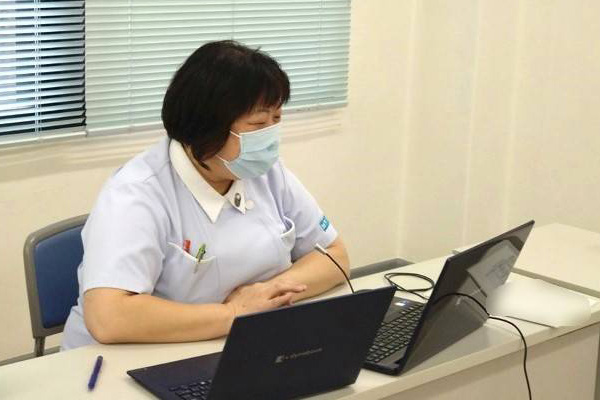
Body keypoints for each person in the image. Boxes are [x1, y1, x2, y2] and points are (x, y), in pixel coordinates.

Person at [61, 40, 349, 350]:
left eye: (276, 119)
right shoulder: (137, 192)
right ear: (206, 126)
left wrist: (269, 292)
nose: (270, 136)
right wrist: (234, 313)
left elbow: (335, 256)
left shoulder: (266, 172)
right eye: (258, 123)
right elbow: (108, 317)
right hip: (127, 358)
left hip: (235, 344)